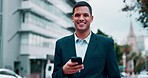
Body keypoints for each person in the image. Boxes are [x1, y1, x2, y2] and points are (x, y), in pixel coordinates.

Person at [52, 1, 121, 78]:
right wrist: (63, 71)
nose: (81, 18)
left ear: (91, 18)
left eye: (85, 15)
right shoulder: (61, 44)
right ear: (72, 18)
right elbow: (54, 76)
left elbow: (115, 76)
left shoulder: (106, 44)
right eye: (77, 15)